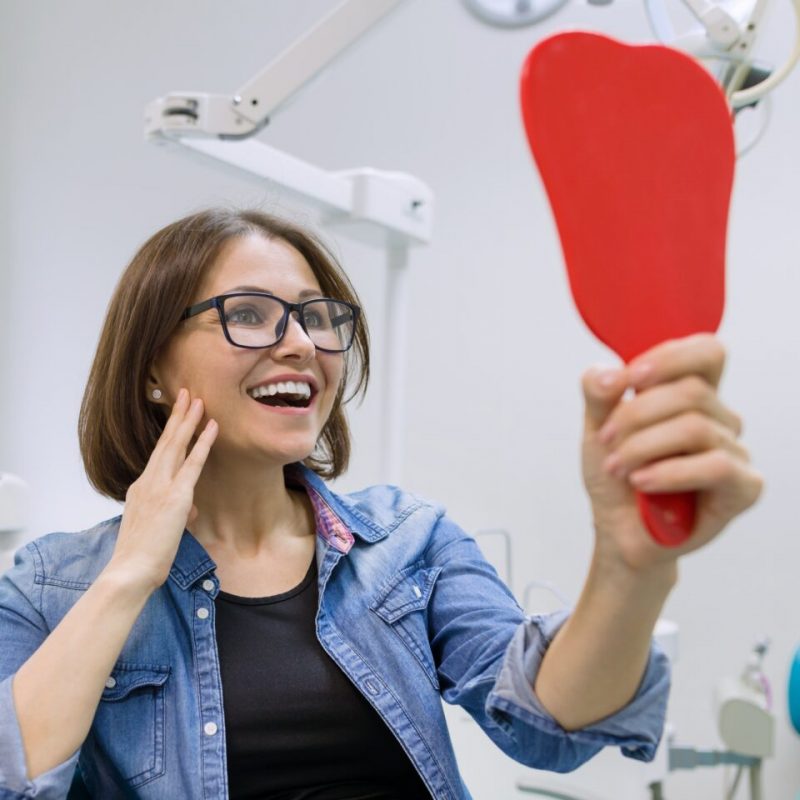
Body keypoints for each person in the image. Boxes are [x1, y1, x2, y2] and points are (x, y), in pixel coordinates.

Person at [0, 209, 762, 800]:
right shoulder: (49, 587)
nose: (300, 343)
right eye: (251, 313)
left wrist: (631, 567)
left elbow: (548, 727)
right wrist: (133, 569)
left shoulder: (407, 541)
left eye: (317, 316)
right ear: (151, 370)